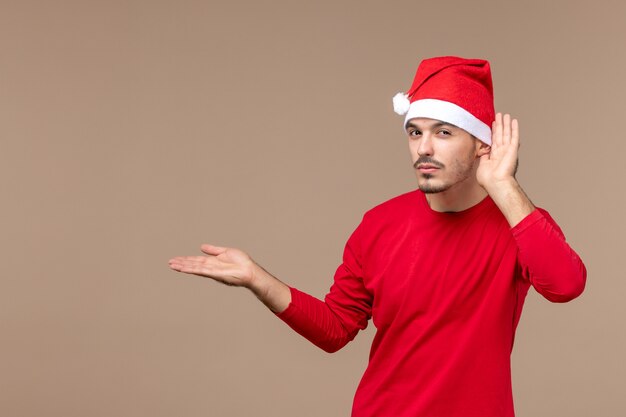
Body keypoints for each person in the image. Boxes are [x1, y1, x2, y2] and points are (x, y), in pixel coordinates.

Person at [168, 56, 587, 417]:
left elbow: (566, 286)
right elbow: (335, 329)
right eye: (415, 131)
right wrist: (258, 279)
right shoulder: (379, 224)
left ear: (482, 144)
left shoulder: (516, 222)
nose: (424, 147)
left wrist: (504, 186)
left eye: (443, 132)